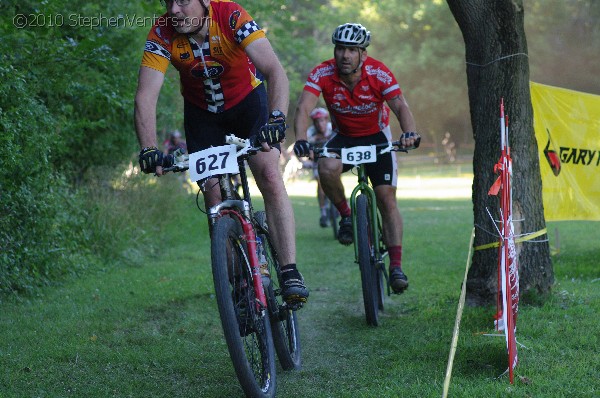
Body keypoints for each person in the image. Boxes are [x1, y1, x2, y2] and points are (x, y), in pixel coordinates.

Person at [134, 0, 308, 304]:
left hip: (248, 105)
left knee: (267, 172)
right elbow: (146, 96)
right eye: (168, 2)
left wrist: (278, 117)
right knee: (213, 196)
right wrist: (148, 147)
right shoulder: (162, 33)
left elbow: (274, 70)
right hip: (203, 116)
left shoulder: (230, 15)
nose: (174, 10)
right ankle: (240, 285)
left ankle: (289, 269)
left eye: (183, 1)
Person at [293, 23, 420, 294]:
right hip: (345, 137)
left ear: (363, 53)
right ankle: (347, 216)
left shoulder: (378, 72)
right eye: (340, 48)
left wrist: (409, 132)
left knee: (386, 198)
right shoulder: (322, 72)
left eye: (352, 49)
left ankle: (396, 266)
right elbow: (304, 107)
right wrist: (302, 138)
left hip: (377, 136)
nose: (345, 55)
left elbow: (400, 105)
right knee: (325, 166)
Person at [305, 107, 333, 228]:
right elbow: (308, 149)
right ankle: (323, 213)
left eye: (322, 121)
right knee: (321, 185)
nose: (319, 124)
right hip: (318, 162)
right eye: (316, 122)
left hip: (333, 160)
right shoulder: (310, 132)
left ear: (326, 120)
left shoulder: (332, 128)